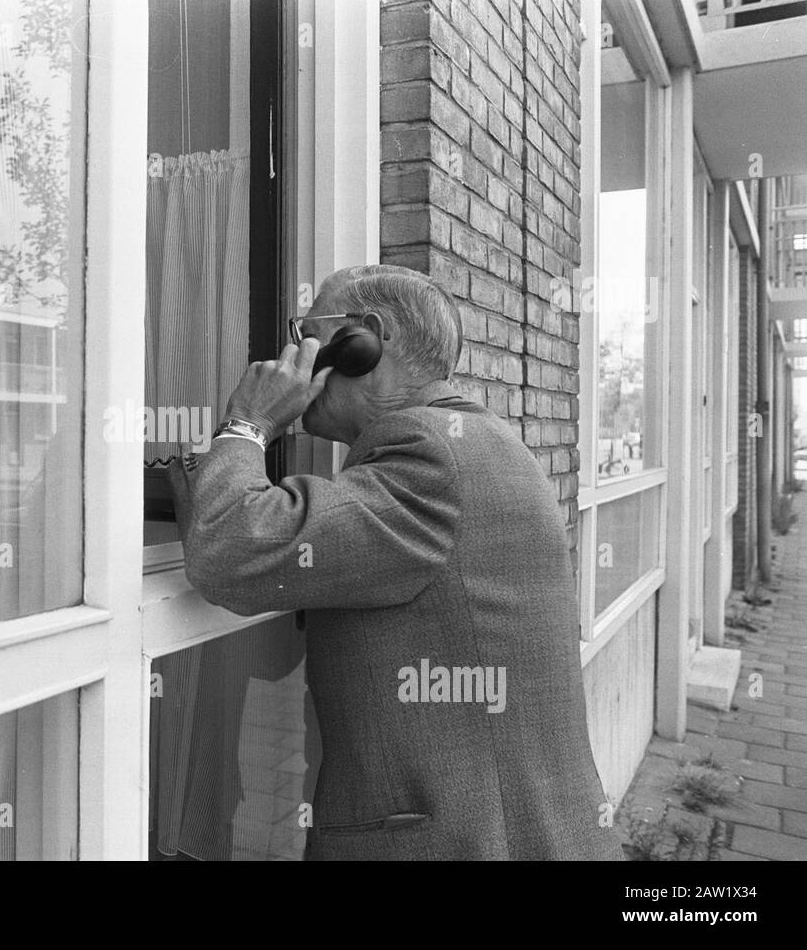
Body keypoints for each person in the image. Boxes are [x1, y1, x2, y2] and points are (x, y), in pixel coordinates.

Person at [168, 264, 624, 860]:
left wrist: (248, 423)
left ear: (364, 342)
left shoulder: (426, 456)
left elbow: (228, 551)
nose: (295, 352)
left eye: (309, 334)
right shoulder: (475, 441)